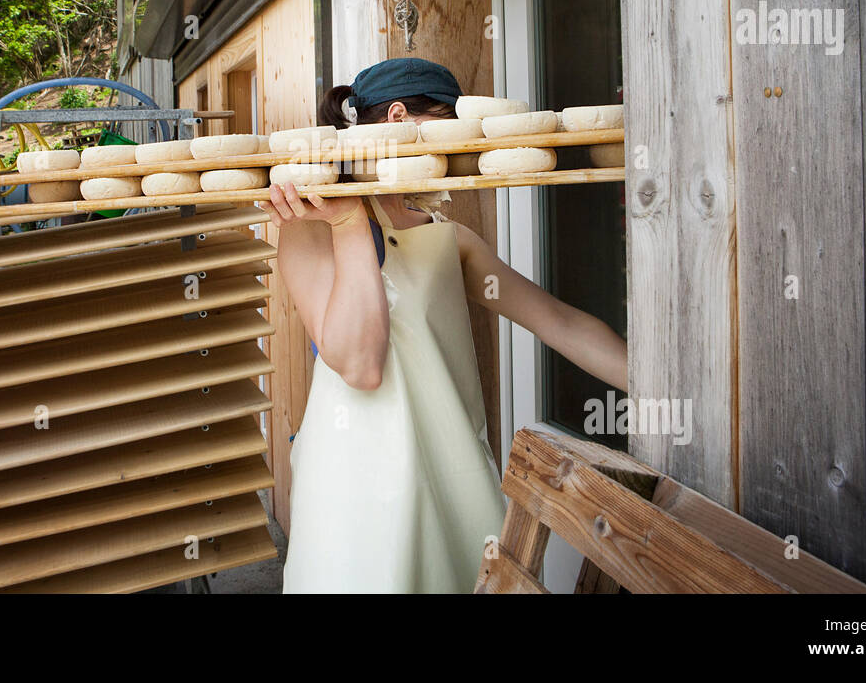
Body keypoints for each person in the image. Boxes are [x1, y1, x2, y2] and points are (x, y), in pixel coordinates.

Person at [260, 57, 628, 593]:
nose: (453, 151)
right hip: (354, 491)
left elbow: (560, 323)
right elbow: (361, 366)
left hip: (449, 476)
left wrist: (661, 387)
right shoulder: (310, 227)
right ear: (398, 118)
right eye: (446, 128)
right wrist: (345, 222)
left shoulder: (447, 239)